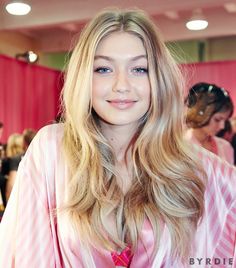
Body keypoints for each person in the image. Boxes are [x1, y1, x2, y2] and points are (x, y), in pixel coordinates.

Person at [0, 9, 235, 268]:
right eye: (103, 69)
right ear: (83, 78)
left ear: (158, 77)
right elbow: (27, 252)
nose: (121, 85)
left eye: (139, 69)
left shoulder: (196, 166)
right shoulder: (51, 149)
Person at [185, 82, 234, 164]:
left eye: (225, 120)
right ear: (200, 112)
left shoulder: (226, 147)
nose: (222, 126)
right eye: (217, 119)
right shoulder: (182, 145)